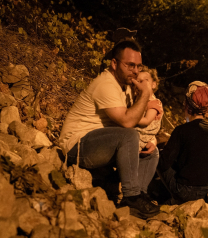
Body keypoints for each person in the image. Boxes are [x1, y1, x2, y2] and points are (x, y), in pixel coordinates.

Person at [59, 39, 160, 219]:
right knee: (128, 135)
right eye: (130, 65)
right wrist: (145, 94)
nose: (135, 71)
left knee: (151, 152)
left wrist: (152, 140)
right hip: (78, 146)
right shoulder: (106, 84)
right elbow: (128, 122)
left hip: (102, 143)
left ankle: (139, 193)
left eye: (138, 66)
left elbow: (139, 121)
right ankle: (131, 197)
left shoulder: (127, 85)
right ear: (114, 63)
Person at [157, 81, 208, 205]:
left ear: (186, 104)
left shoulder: (181, 131)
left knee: (158, 157)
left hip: (188, 192)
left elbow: (163, 164)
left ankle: (174, 199)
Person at [134, 66, 163, 153]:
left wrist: (130, 117)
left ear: (153, 84)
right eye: (138, 81)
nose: (140, 83)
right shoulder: (136, 98)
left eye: (144, 81)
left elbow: (146, 121)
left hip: (142, 137)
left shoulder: (154, 103)